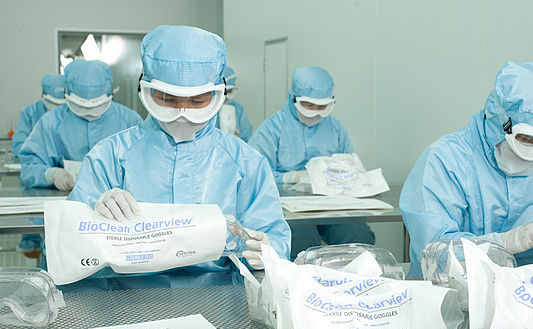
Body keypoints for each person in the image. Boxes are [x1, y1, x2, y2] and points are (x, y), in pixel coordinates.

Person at [66, 25, 291, 291]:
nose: (182, 112)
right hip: (129, 295)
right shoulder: (109, 157)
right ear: (147, 90)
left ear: (217, 93)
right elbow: (66, 251)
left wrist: (267, 253)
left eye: (197, 101)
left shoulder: (246, 162)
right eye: (168, 99)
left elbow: (273, 236)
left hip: (222, 294)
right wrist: (92, 219)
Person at [400, 61, 533, 277]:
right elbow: (433, 253)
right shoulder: (445, 161)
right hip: (455, 291)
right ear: (501, 123)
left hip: (528, 290)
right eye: (528, 140)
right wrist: (503, 243)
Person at [249, 66, 374, 258]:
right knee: (303, 242)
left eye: (321, 107)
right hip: (289, 208)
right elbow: (255, 174)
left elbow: (350, 164)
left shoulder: (335, 127)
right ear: (294, 99)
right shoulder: (272, 128)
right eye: (309, 105)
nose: (315, 112)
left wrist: (345, 175)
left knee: (359, 236)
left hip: (332, 205)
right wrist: (291, 178)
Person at [19, 59, 142, 191]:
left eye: (96, 106)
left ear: (110, 93)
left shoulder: (129, 121)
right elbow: (29, 167)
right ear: (66, 93)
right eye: (81, 106)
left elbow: (149, 163)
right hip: (67, 197)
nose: (89, 112)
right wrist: (52, 174)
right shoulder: (51, 122)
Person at [11, 73, 67, 156]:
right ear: (42, 95)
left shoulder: (71, 113)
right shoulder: (29, 113)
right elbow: (19, 147)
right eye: (52, 103)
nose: (56, 108)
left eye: (61, 104)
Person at [216, 65, 252, 141]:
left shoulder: (238, 109)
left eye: (229, 91)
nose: (226, 96)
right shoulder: (210, 108)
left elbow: (246, 135)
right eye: (224, 92)